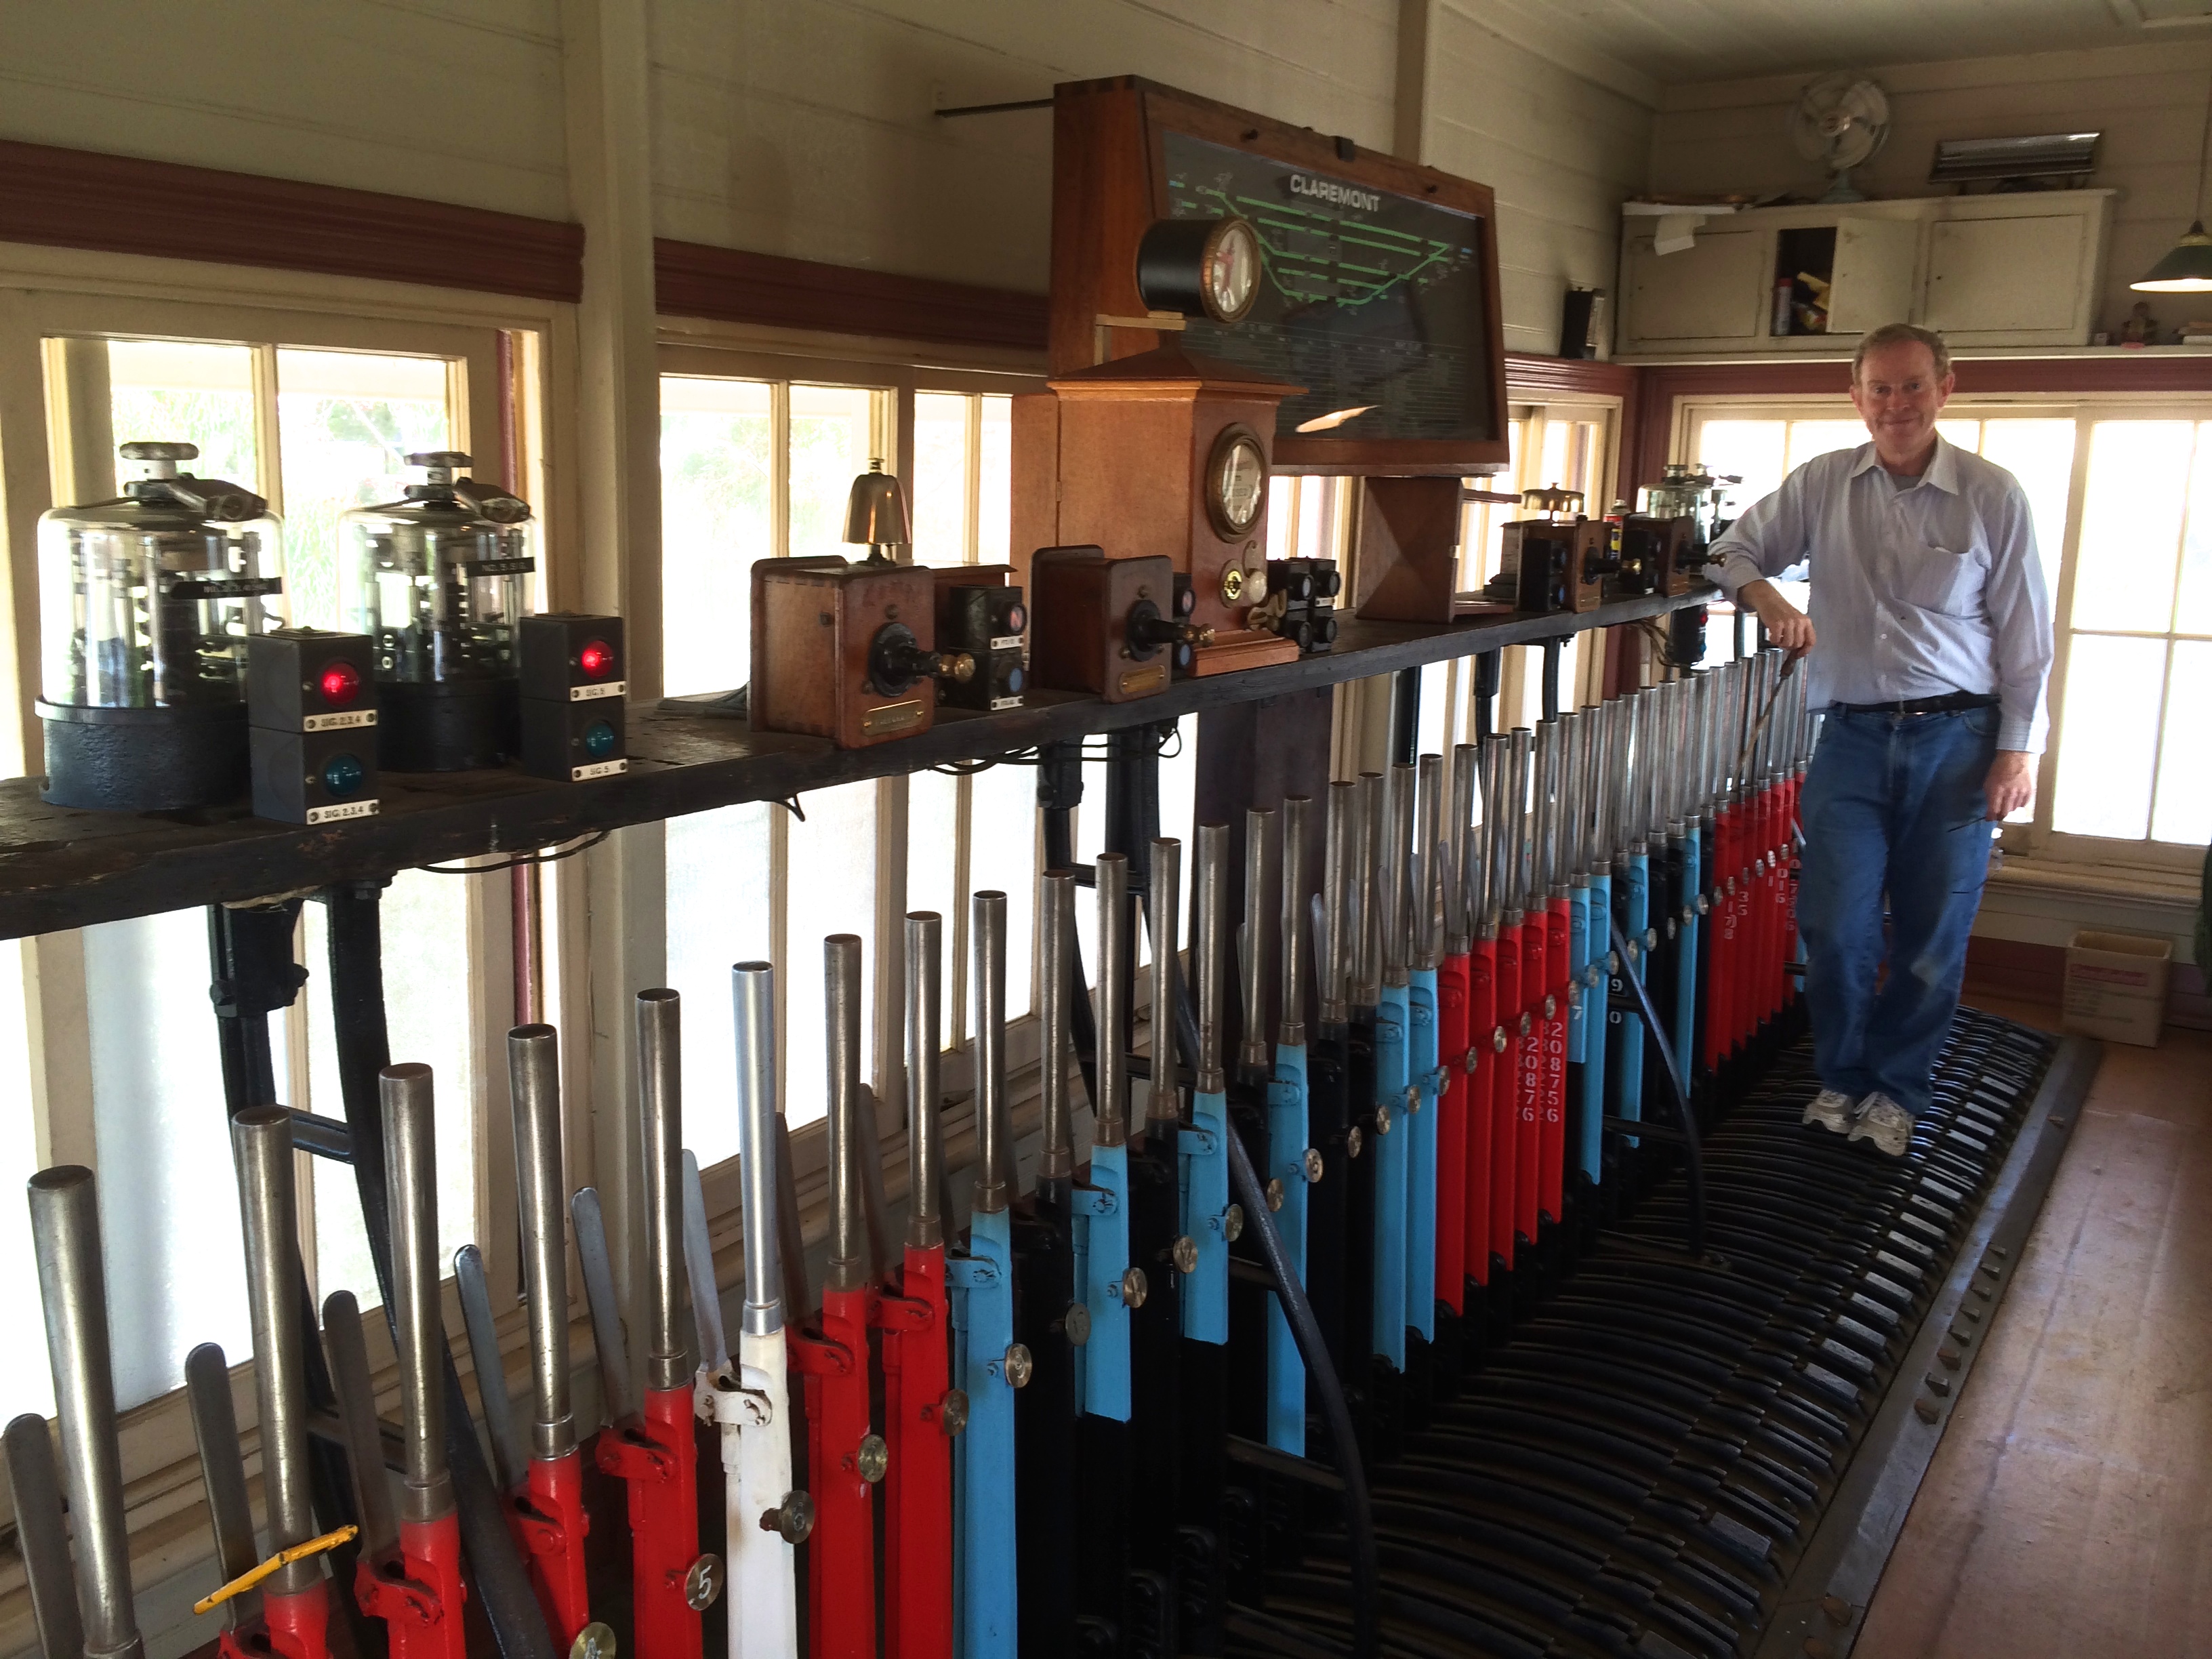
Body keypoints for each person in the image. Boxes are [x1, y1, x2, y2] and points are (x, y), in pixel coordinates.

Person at [1703, 323, 2052, 1158]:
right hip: (1850, 739)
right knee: (1834, 924)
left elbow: (2026, 634)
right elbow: (1727, 549)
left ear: (1946, 389)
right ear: (1855, 396)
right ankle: (1842, 1077)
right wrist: (1768, 598)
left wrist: (2019, 748)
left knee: (1932, 935)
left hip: (1961, 740)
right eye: (1881, 389)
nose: (1897, 405)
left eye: (1913, 387)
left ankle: (1898, 1093)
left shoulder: (1992, 493)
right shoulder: (1823, 482)